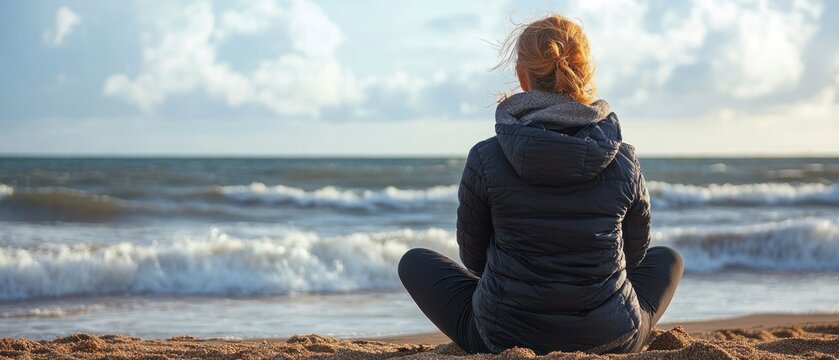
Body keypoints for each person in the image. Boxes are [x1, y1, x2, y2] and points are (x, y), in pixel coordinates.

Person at [397, 14, 683, 354]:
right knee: (668, 259)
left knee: (413, 262)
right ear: (586, 72)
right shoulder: (623, 160)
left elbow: (473, 259)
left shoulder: (486, 157)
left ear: (522, 76)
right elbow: (634, 257)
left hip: (504, 336)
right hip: (611, 337)